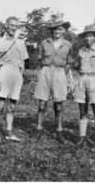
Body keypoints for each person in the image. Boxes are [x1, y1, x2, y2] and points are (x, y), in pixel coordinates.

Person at [0, 16, 29, 142]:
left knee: (12, 107)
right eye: (11, 25)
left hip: (16, 74)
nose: (14, 28)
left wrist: (20, 76)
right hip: (4, 72)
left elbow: (23, 61)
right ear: (6, 26)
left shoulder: (20, 43)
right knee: (0, 105)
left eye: (16, 26)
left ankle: (9, 133)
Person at [33, 16, 73, 144]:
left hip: (60, 72)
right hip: (45, 71)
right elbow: (40, 60)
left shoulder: (68, 44)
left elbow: (68, 63)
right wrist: (42, 73)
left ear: (63, 31)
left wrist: (62, 76)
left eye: (59, 29)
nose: (57, 31)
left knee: (59, 105)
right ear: (52, 30)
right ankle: (38, 130)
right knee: (42, 104)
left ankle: (59, 132)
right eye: (55, 29)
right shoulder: (45, 43)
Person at [74, 24, 95, 151]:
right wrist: (84, 76)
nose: (87, 39)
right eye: (85, 36)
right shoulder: (81, 51)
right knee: (82, 111)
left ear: (94, 38)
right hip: (82, 79)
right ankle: (82, 138)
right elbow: (78, 66)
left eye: (90, 36)